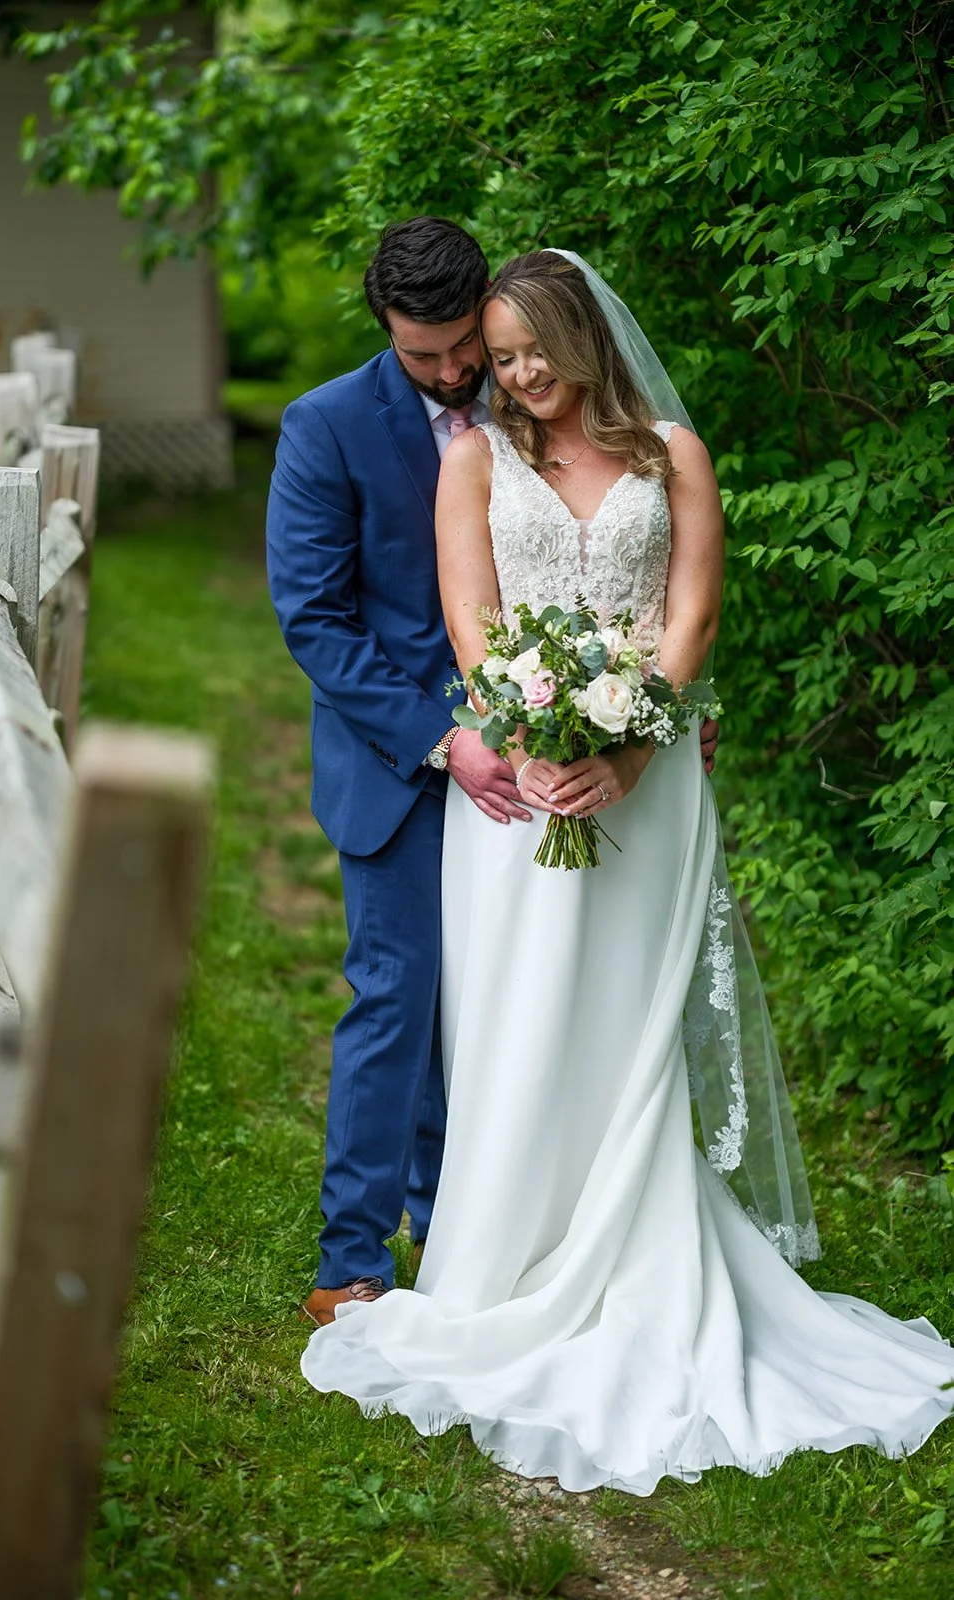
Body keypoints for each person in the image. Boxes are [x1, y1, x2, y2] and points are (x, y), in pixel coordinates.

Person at [300, 249, 954, 1493]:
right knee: (521, 1018)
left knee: (627, 1026)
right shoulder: (470, 462)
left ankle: (645, 1252)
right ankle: (503, 1259)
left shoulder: (671, 453)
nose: (517, 373)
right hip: (521, 797)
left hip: (648, 793)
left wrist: (635, 750)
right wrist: (535, 736)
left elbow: (693, 617)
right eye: (498, 358)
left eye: (531, 348)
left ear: (581, 335)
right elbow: (472, 620)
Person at [266, 219, 717, 1329]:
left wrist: (649, 715)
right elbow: (316, 621)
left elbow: (653, 578)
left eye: (467, 346)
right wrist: (452, 735)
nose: (458, 372)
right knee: (398, 1001)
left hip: (556, 756)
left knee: (507, 1004)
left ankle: (481, 1219)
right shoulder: (325, 427)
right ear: (385, 329)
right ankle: (354, 1258)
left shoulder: (542, 404)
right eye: (425, 357)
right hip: (407, 757)